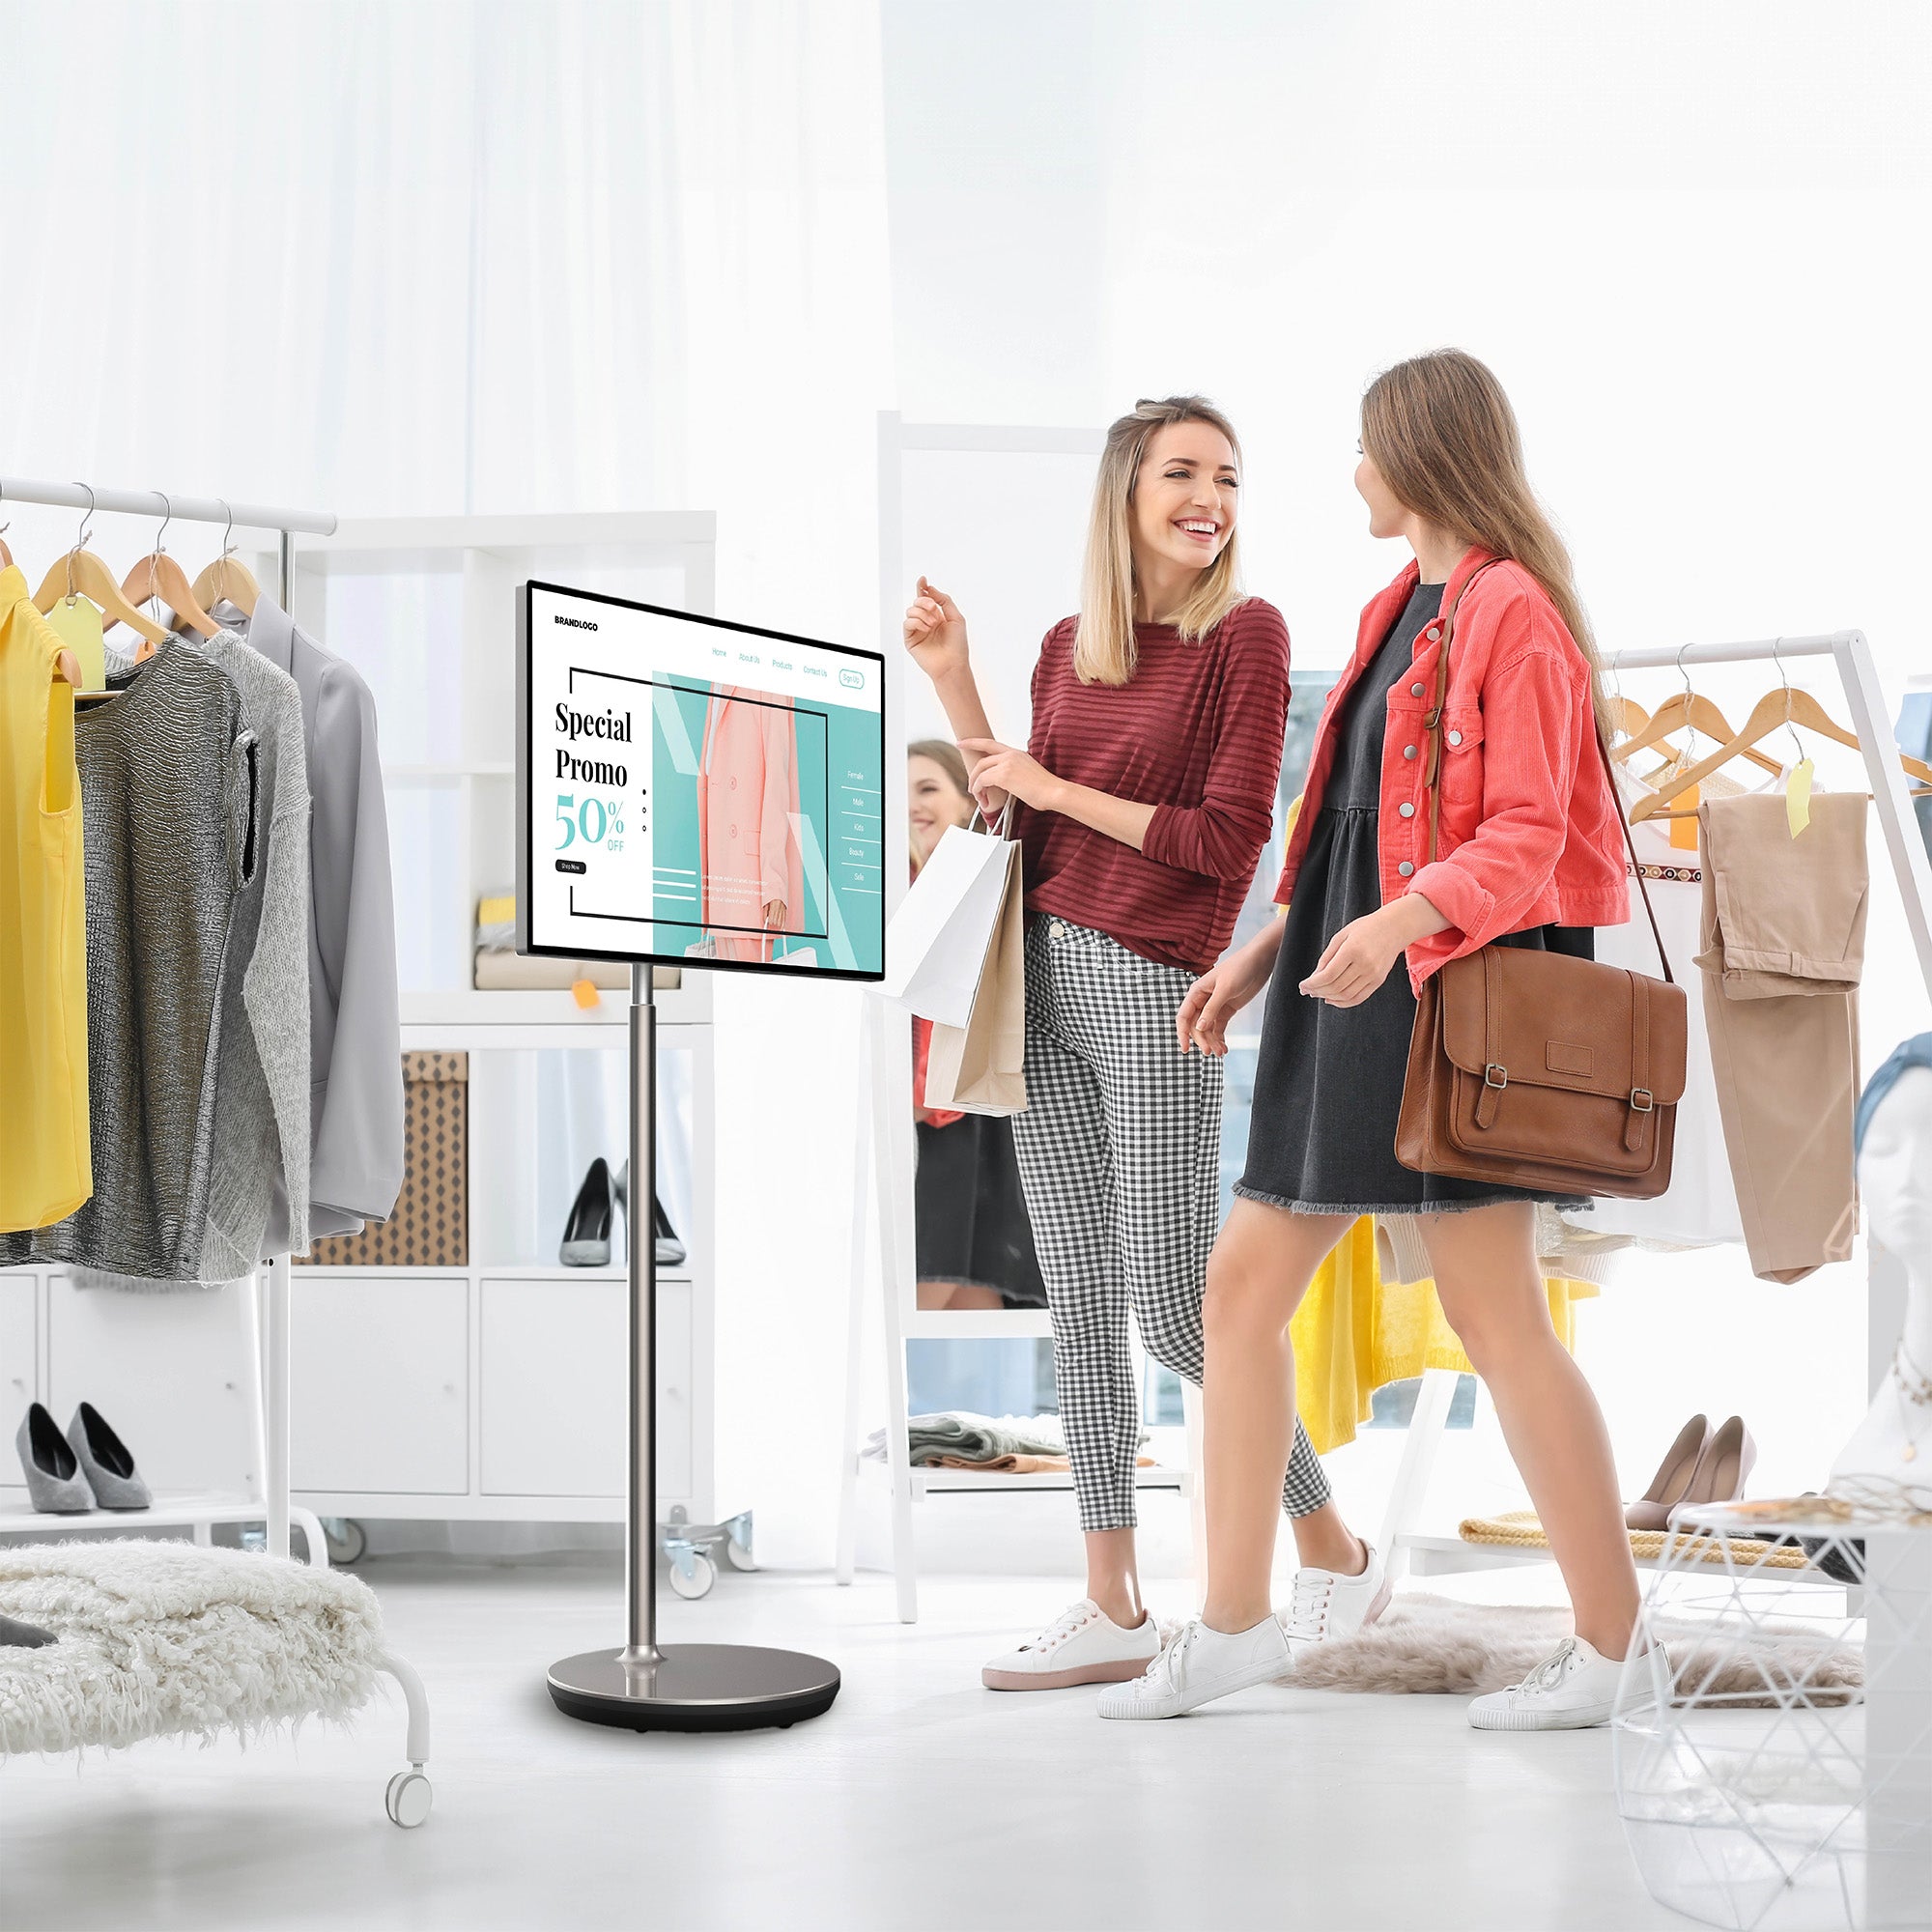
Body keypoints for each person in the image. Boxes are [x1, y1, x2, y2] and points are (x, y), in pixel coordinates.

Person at [1101, 350, 1639, 1728]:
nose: (1348, 471)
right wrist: (1262, 953)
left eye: (1362, 446)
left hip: (1443, 999)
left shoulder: (1511, 612)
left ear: (1416, 454)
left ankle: (1608, 1646)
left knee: (1498, 1319)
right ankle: (1233, 1620)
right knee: (1238, 1296)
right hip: (1344, 991)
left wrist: (1400, 924)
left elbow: (1525, 833)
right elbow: (1338, 834)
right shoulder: (1403, 602)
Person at [904, 396, 1378, 1694]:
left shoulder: (1250, 637)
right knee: (1080, 1297)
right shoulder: (1068, 646)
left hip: (1158, 985)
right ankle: (1111, 1599)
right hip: (1043, 974)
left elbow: (1228, 842)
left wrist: (1055, 789)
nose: (1209, 496)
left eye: (1226, 476)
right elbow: (1029, 811)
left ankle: (1330, 1539)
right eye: (1183, 471)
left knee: (1180, 1308)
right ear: (1126, 492)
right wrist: (955, 681)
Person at [907, 740, 1047, 1314]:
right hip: (926, 1108)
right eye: (903, 792)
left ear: (967, 801)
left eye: (928, 788)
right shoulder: (897, 887)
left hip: (975, 1101)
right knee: (928, 1289)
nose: (912, 805)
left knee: (972, 1289)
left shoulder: (993, 870)